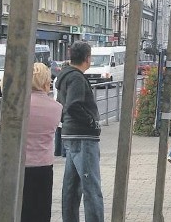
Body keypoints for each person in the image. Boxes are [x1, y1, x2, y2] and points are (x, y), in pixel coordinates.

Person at [55, 41, 103, 222]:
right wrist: (91, 121)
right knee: (91, 187)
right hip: (83, 135)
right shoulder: (76, 77)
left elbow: (62, 105)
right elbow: (73, 105)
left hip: (70, 133)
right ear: (87, 58)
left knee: (71, 186)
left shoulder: (65, 76)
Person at [21, 62, 63, 222]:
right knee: (41, 209)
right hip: (44, 165)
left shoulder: (18, 105)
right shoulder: (56, 107)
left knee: (21, 209)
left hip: (20, 164)